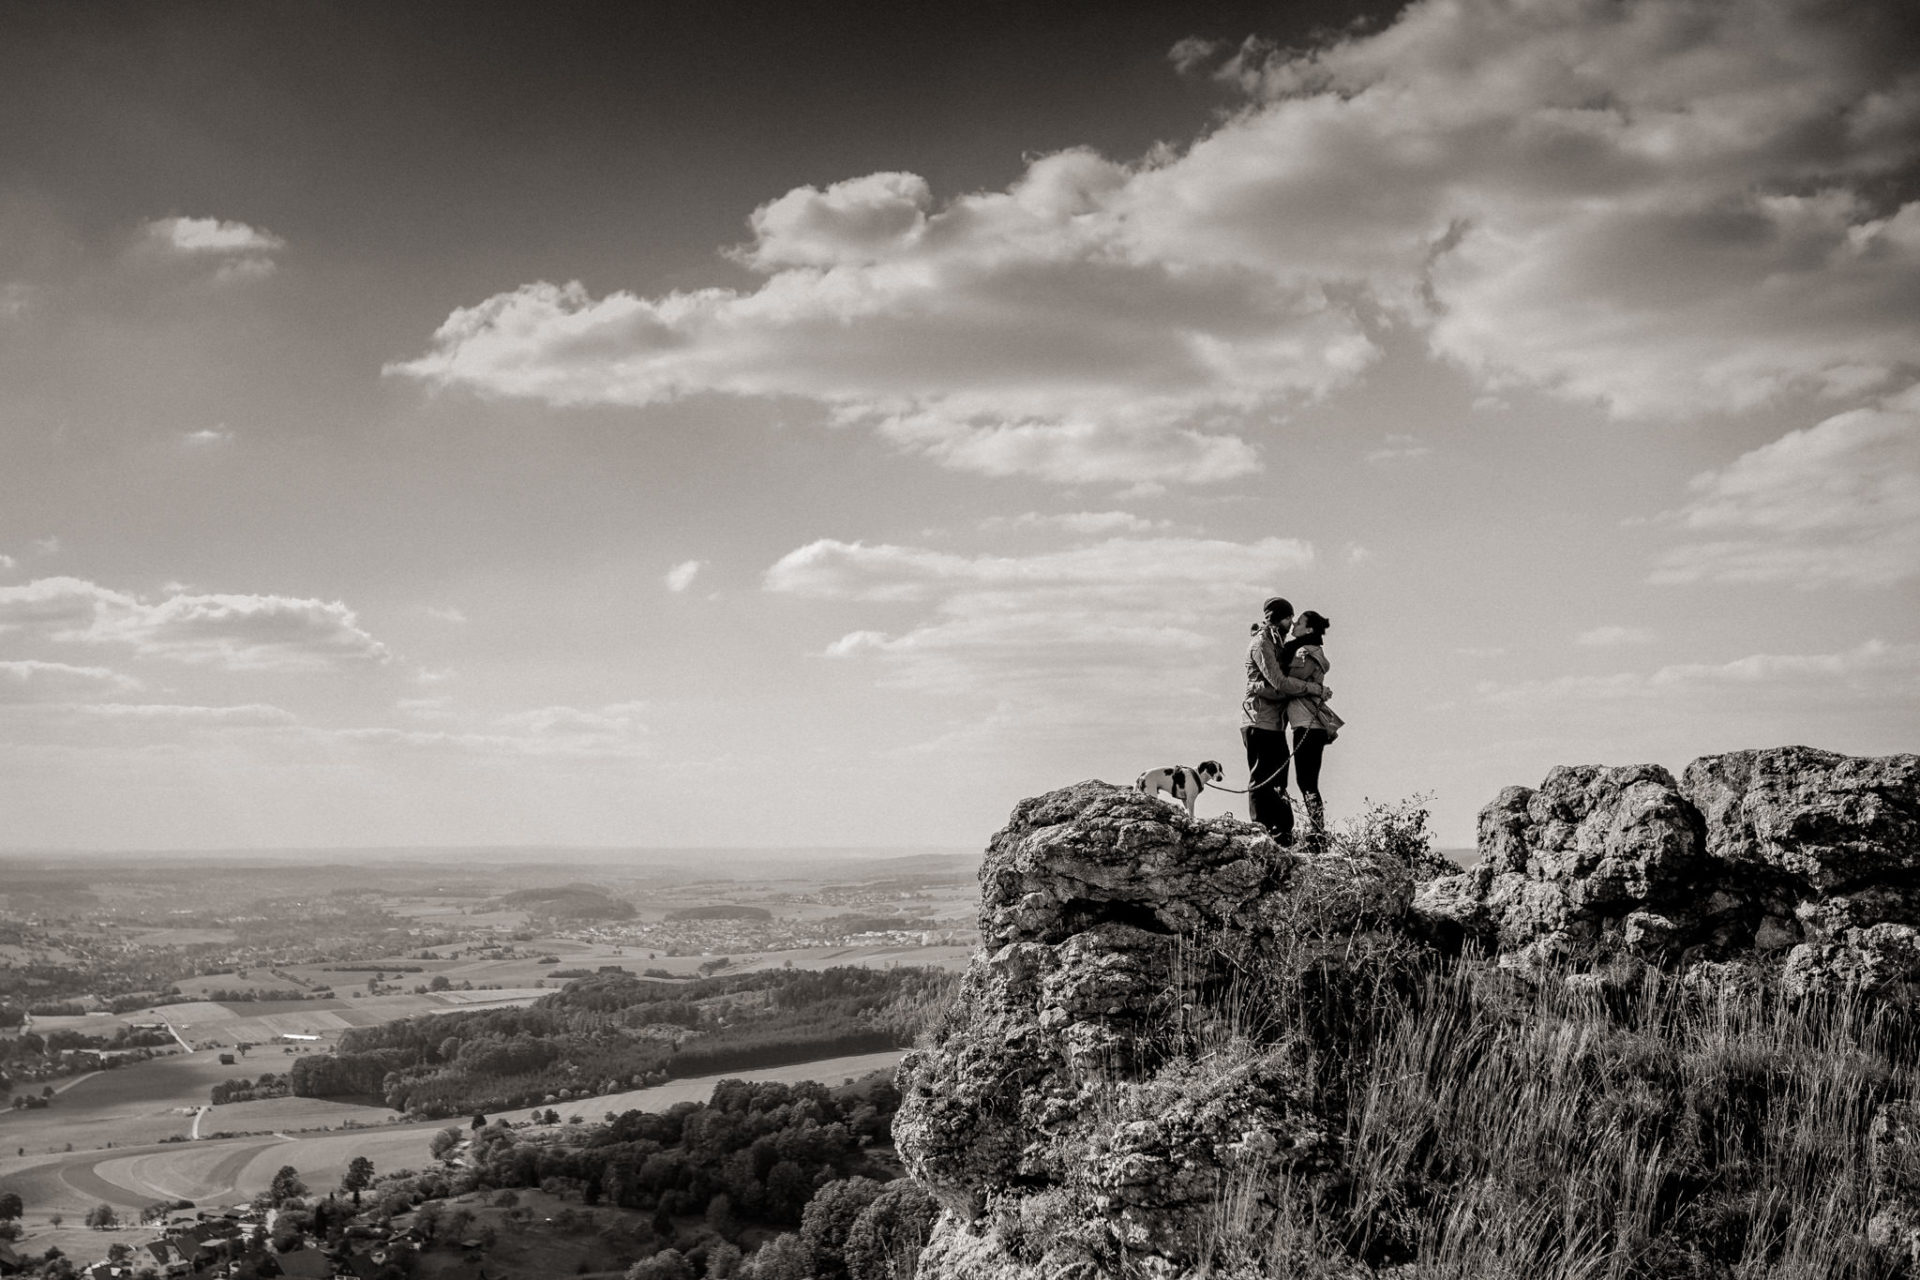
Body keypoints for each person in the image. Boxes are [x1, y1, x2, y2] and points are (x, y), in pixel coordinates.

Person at [1240, 596, 1326, 843]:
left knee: (1279, 778)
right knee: (1262, 778)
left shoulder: (1278, 642)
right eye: (1289, 618)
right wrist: (1313, 689)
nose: (1292, 623)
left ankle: (1282, 832)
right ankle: (1261, 831)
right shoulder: (1262, 644)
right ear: (1278, 619)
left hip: (1275, 723)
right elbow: (1280, 682)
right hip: (1258, 720)